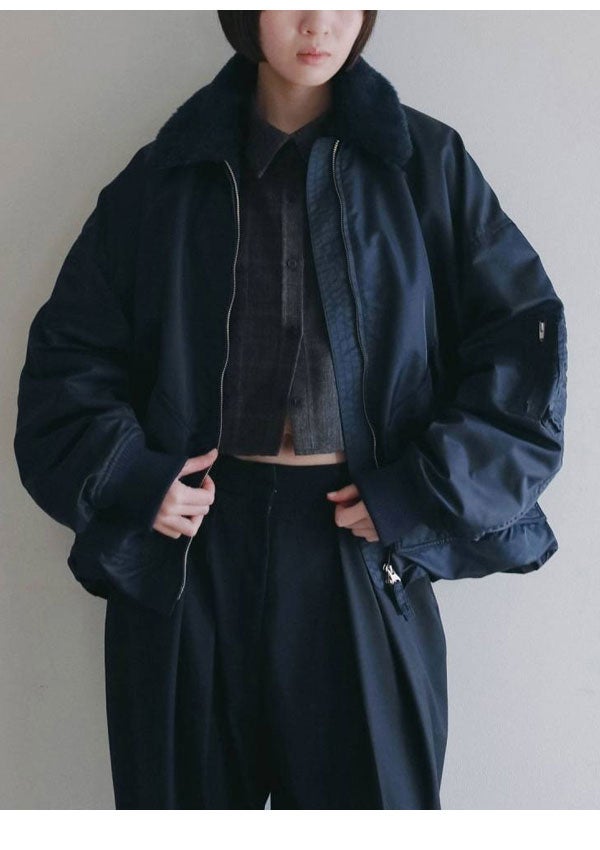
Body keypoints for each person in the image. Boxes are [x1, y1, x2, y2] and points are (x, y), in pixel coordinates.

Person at [13, 10, 567, 809]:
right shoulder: (168, 175)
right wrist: (131, 475)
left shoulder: (422, 164)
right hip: (194, 554)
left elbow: (523, 346)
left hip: (358, 545)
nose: (318, 22)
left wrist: (420, 489)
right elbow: (69, 355)